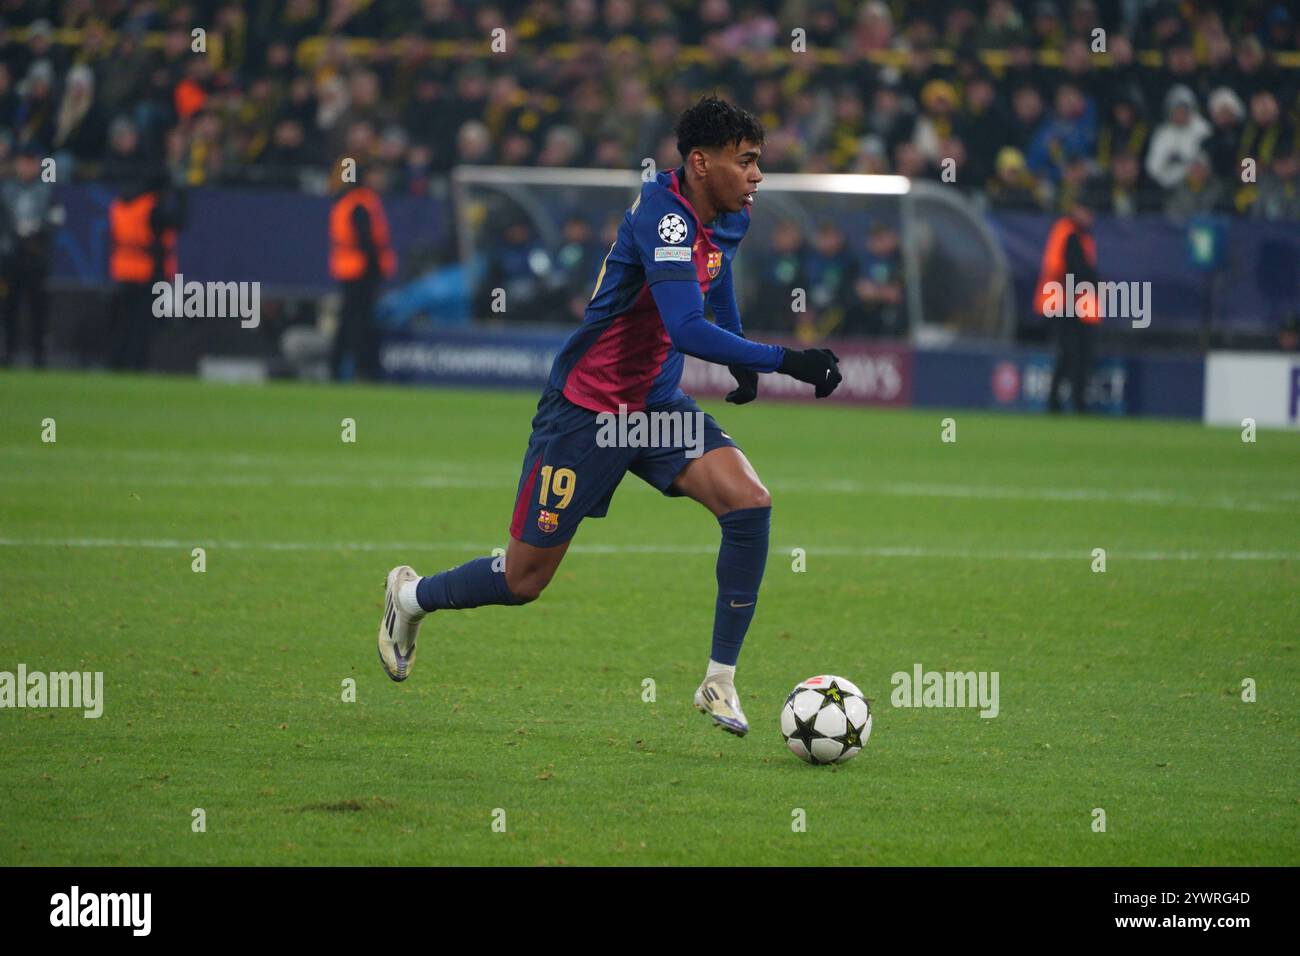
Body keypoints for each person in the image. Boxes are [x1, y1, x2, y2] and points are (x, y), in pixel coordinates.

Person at [374, 96, 843, 737]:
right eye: (747, 161)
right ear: (701, 163)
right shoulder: (665, 218)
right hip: (588, 410)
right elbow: (683, 327)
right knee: (524, 579)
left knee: (749, 504)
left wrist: (743, 359)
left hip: (654, 407)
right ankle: (409, 598)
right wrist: (787, 359)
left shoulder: (731, 211)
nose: (758, 174)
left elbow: (718, 276)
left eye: (758, 161)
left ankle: (720, 680)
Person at [107, 168, 184, 370]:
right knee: (141, 325)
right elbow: (178, 222)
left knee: (123, 322)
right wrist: (184, 195)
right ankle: (136, 365)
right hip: (145, 271)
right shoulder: (151, 206)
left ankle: (117, 364)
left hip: (122, 270)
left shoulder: (120, 205)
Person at [328, 163, 397, 381]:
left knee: (348, 320)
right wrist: (378, 266)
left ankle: (338, 368)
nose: (381, 180)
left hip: (351, 269)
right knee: (359, 322)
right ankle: (361, 369)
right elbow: (366, 240)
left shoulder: (350, 201)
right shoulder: (361, 203)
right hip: (361, 270)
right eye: (376, 174)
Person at [0, 142, 63, 367]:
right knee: (9, 308)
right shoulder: (6, 188)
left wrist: (36, 228)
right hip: (10, 256)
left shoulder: (46, 189)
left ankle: (39, 357)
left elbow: (57, 219)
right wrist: (15, 234)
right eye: (23, 162)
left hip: (36, 257)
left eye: (31, 162)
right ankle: (8, 354)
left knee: (38, 308)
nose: (26, 167)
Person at [1035, 199, 1100, 413]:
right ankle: (1067, 402)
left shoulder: (1077, 234)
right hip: (1065, 302)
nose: (1089, 217)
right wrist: (1096, 282)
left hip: (1072, 302)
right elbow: (1077, 270)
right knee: (1072, 353)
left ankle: (1063, 401)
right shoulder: (1071, 234)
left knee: (1072, 354)